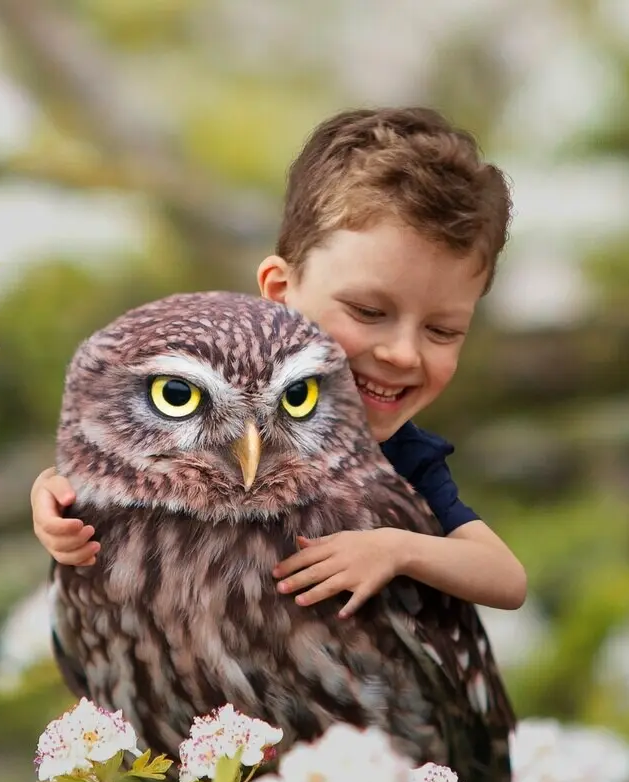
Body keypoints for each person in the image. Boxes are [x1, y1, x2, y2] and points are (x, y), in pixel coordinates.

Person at [30, 106, 527, 615]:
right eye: (368, 311)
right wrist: (56, 506)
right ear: (280, 292)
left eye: (441, 331)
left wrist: (397, 549)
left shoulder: (400, 457)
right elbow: (115, 462)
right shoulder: (203, 373)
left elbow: (506, 579)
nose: (402, 353)